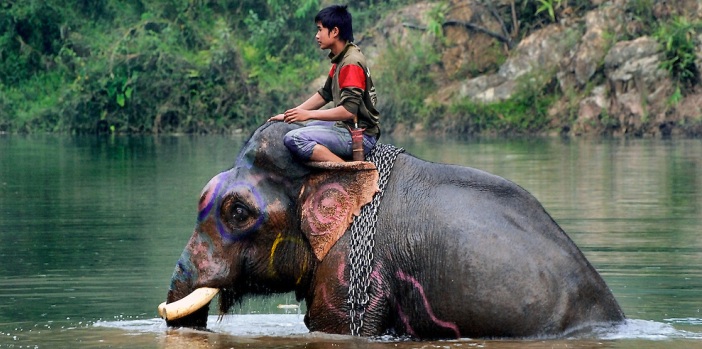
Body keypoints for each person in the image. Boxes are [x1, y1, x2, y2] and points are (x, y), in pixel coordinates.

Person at [269, 4, 380, 163]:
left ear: (335, 31)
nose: (317, 35)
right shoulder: (341, 57)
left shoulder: (350, 63)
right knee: (306, 127)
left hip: (360, 135)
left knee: (294, 138)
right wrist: (293, 114)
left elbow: (349, 110)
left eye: (320, 29)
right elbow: (325, 94)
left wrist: (307, 114)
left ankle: (350, 173)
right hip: (346, 126)